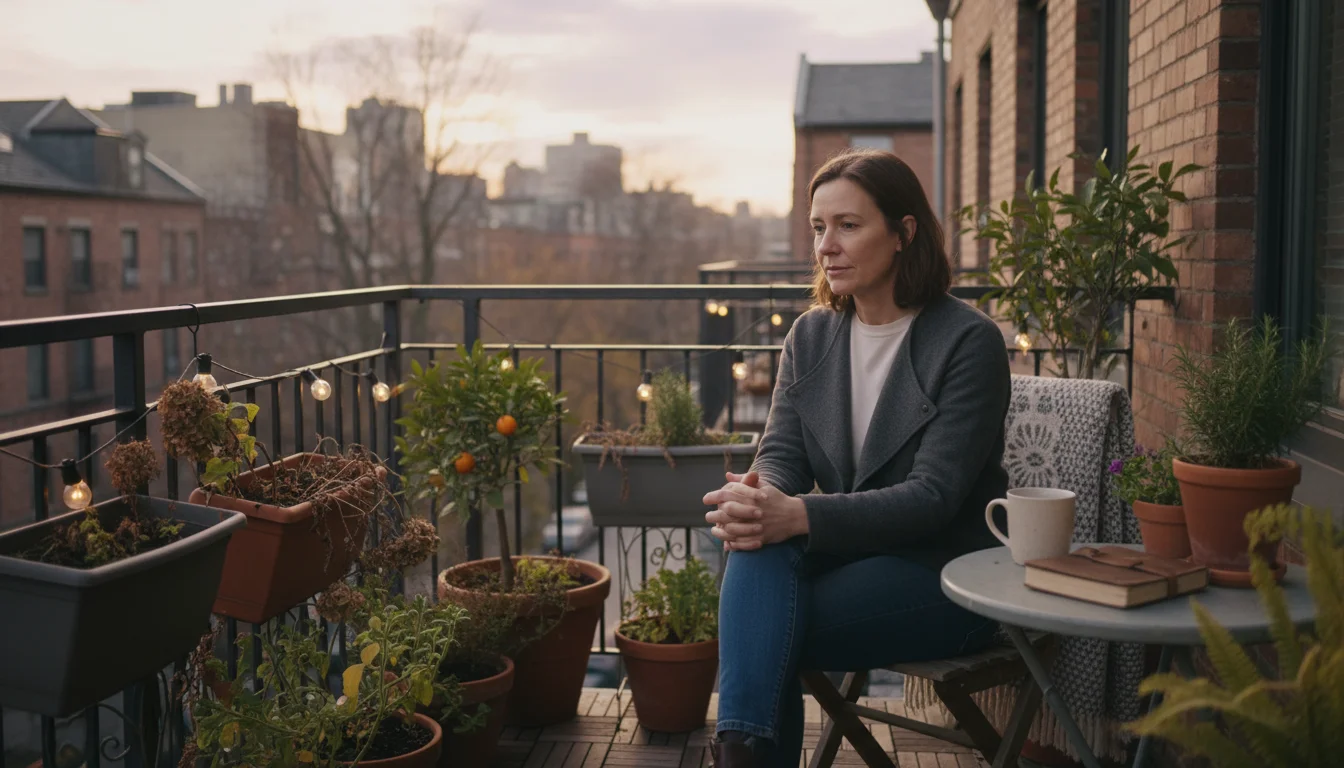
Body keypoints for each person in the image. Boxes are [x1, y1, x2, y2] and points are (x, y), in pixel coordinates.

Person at [704, 148, 1010, 767]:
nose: (826, 246)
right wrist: (760, 497)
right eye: (819, 228)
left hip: (944, 571)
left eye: (848, 225)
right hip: (847, 557)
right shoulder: (811, 335)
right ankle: (744, 752)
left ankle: (740, 752)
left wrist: (799, 516)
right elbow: (783, 452)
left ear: (904, 232)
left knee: (764, 625)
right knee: (758, 552)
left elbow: (933, 497)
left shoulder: (967, 342)